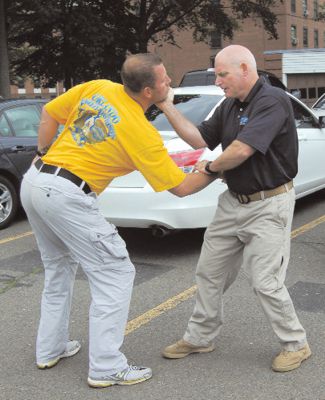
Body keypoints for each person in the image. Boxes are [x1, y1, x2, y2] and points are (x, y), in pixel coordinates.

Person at [20, 53, 216, 388]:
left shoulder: (98, 88)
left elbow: (49, 114)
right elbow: (182, 188)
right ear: (148, 93)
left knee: (58, 268)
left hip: (35, 181)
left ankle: (50, 348)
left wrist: (43, 151)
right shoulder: (141, 132)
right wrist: (215, 169)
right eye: (165, 79)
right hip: (67, 194)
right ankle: (106, 366)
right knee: (116, 273)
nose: (170, 81)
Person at [159, 45, 311, 372]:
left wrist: (210, 169)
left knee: (265, 281)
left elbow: (241, 151)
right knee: (209, 273)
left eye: (222, 74)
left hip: (268, 204)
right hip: (232, 203)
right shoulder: (228, 106)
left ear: (244, 68)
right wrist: (165, 106)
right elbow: (198, 139)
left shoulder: (272, 101)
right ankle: (200, 337)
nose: (218, 81)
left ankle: (296, 344)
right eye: (216, 74)